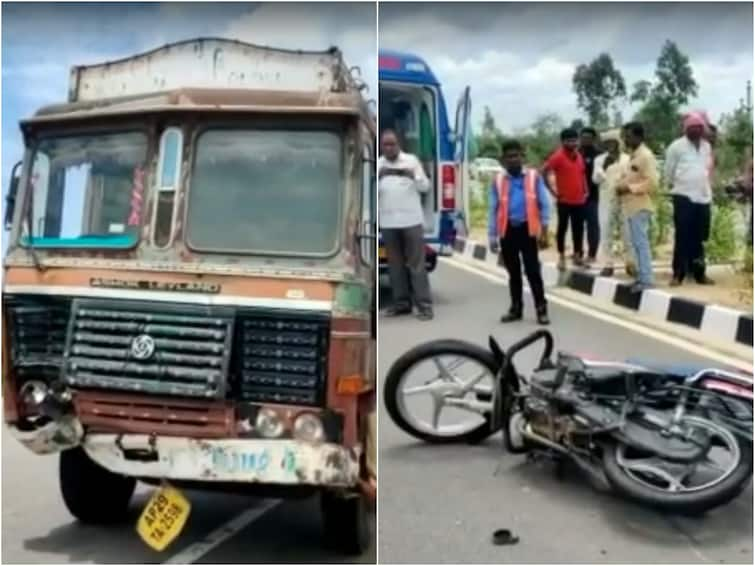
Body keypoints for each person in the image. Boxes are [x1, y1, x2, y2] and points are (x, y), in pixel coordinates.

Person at [488, 140, 551, 325]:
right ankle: (516, 308)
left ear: (522, 156)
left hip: (528, 230)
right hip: (507, 231)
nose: (513, 160)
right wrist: (492, 236)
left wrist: (545, 231)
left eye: (516, 156)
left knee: (533, 272)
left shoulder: (533, 177)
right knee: (513, 273)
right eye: (509, 157)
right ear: (503, 160)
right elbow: (493, 208)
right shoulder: (498, 180)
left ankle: (541, 309)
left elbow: (544, 204)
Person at [378, 129, 434, 321]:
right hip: (388, 222)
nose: (389, 148)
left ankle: (425, 306)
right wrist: (378, 177)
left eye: (392, 144)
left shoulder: (411, 161)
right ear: (381, 146)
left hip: (411, 221)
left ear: (399, 144)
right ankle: (402, 304)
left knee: (417, 265)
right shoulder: (378, 165)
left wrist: (413, 176)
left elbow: (425, 187)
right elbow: (370, 192)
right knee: (395, 266)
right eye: (385, 145)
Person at [664, 112, 715, 286]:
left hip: (703, 197)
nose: (695, 131)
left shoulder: (707, 147)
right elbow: (668, 172)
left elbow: (707, 170)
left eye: (698, 128)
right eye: (692, 128)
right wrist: (674, 187)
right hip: (683, 196)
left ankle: (699, 273)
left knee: (699, 237)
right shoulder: (676, 147)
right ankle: (678, 273)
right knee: (683, 236)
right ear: (686, 129)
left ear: (702, 130)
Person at [616, 122, 657, 293]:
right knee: (636, 243)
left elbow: (652, 182)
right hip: (630, 206)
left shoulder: (645, 156)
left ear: (639, 137)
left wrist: (628, 188)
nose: (626, 139)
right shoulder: (633, 156)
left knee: (641, 243)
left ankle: (646, 279)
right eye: (624, 136)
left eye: (629, 136)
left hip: (640, 205)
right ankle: (641, 277)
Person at [543, 128, 588, 270]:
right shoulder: (557, 157)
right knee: (562, 229)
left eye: (575, 140)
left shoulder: (579, 156)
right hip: (564, 201)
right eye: (569, 140)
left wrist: (585, 190)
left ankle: (577, 256)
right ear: (563, 142)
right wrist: (553, 191)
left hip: (579, 200)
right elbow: (544, 171)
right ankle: (561, 257)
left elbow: (581, 174)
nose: (573, 143)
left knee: (578, 229)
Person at [592, 130, 634, 277]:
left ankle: (630, 263)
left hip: (624, 198)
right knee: (606, 231)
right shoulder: (599, 160)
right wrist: (604, 167)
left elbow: (632, 178)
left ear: (618, 143)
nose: (609, 145)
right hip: (606, 199)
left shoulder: (627, 159)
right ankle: (608, 264)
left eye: (612, 142)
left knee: (628, 231)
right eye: (606, 143)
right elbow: (595, 180)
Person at [579, 127, 601, 266]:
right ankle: (578, 251)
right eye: (583, 137)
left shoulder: (599, 155)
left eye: (588, 137)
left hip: (593, 196)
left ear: (593, 139)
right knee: (578, 226)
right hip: (576, 196)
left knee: (593, 226)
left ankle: (592, 253)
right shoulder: (576, 153)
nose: (585, 140)